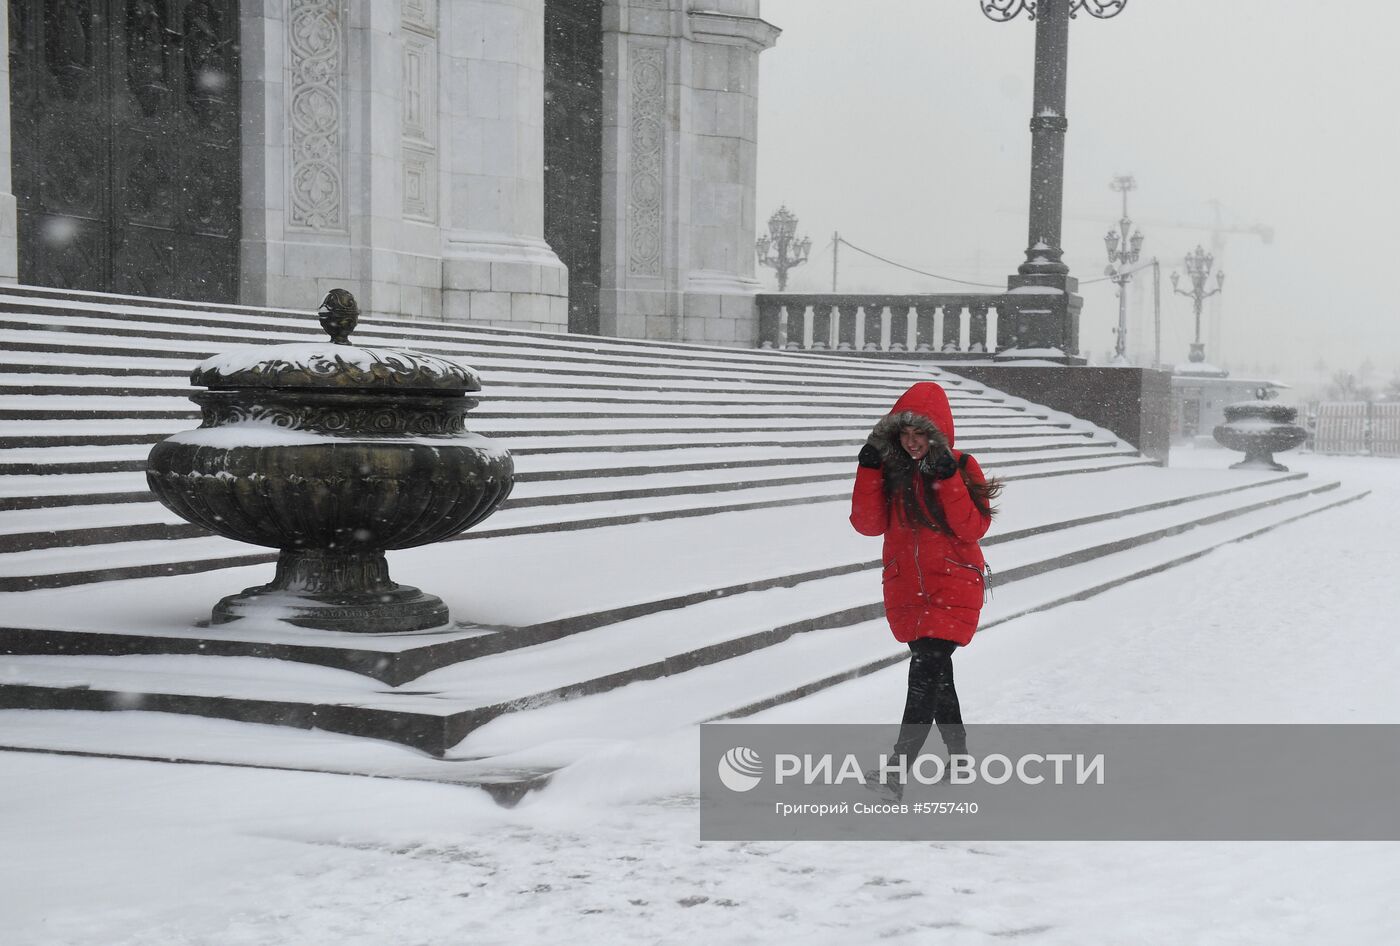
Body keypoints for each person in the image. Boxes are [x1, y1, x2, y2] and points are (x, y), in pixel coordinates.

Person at [850, 381, 1002, 796]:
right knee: (937, 675)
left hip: (952, 584)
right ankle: (960, 759)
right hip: (907, 587)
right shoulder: (892, 470)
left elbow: (973, 527)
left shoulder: (962, 464)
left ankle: (896, 772)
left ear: (937, 434)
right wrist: (868, 471)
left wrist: (949, 479)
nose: (914, 442)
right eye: (906, 433)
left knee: (924, 673)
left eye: (922, 434)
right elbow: (868, 524)